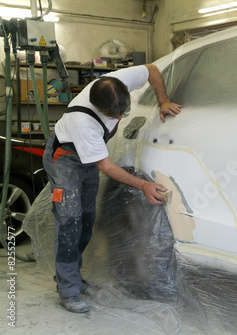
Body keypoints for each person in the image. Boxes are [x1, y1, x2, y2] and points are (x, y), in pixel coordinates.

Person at [42, 64, 182, 313]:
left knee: (86, 220)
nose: (119, 118)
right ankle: (68, 288)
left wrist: (163, 101)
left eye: (122, 112)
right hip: (66, 160)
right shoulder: (82, 122)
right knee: (70, 222)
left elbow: (151, 70)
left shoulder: (117, 82)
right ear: (97, 107)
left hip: (89, 159)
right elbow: (105, 165)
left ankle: (70, 275)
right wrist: (143, 185)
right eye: (113, 114)